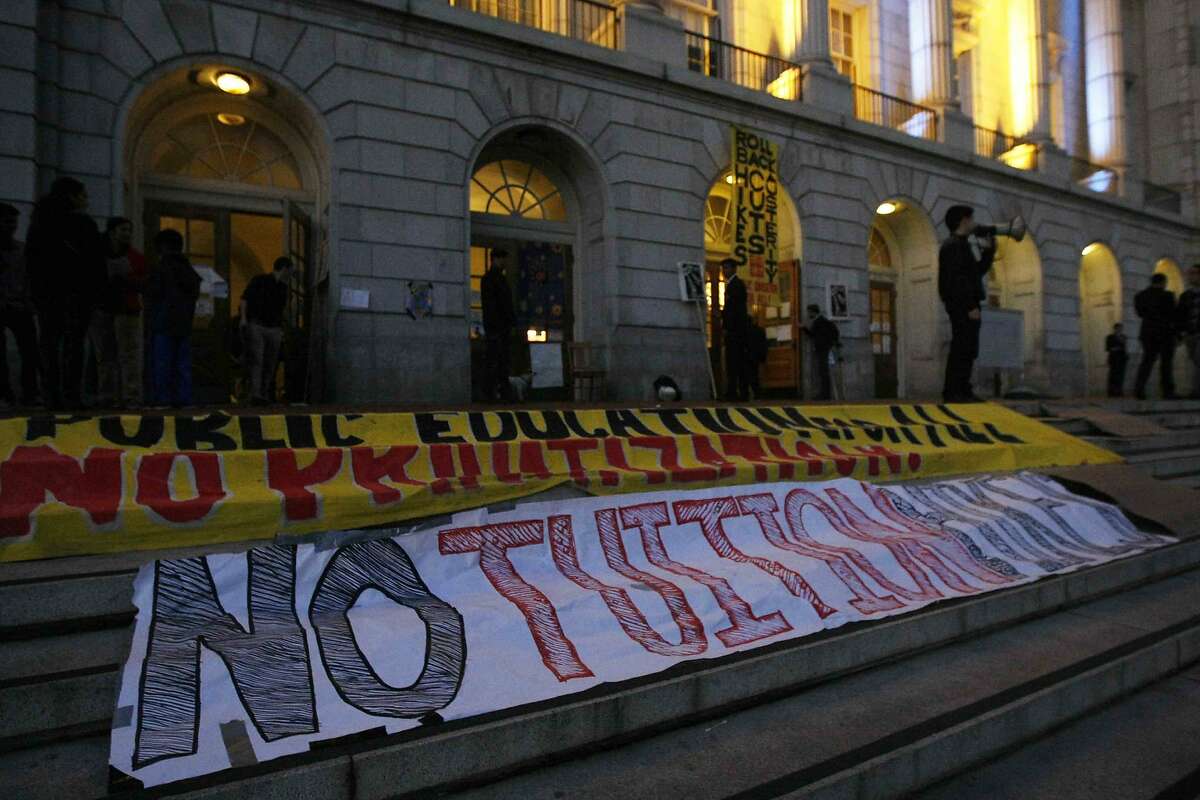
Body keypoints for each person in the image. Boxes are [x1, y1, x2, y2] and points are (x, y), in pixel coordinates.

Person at [25, 176, 104, 409]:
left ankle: (52, 393)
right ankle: (71, 394)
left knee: (50, 343)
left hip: (48, 294)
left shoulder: (40, 224)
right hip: (76, 294)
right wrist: (95, 292)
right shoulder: (83, 225)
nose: (87, 200)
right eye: (83, 195)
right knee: (73, 344)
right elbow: (95, 263)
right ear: (72, 196)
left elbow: (32, 262)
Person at [937, 204, 995, 403]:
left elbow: (975, 273)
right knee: (963, 346)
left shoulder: (960, 245)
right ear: (963, 220)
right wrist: (970, 305)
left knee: (968, 347)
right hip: (962, 305)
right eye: (971, 219)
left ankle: (962, 389)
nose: (973, 223)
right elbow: (958, 280)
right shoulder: (953, 246)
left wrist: (988, 252)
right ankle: (955, 391)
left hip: (964, 303)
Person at [90, 217, 147, 407]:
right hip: (104, 307)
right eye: (123, 229)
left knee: (128, 354)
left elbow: (144, 282)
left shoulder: (136, 257)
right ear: (112, 231)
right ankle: (108, 395)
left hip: (126, 309)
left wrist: (127, 279)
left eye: (129, 230)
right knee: (105, 354)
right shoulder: (98, 255)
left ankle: (131, 396)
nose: (127, 234)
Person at [146, 229, 200, 407]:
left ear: (161, 247)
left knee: (163, 363)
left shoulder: (162, 268)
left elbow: (153, 292)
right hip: (184, 322)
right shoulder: (188, 270)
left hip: (163, 321)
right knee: (182, 364)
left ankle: (163, 399)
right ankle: (183, 399)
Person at [0, 204, 39, 407]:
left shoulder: (21, 250)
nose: (11, 226)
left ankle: (29, 392)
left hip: (20, 306)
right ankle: (7, 392)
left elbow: (28, 278)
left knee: (30, 351)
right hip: (8, 304)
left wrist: (28, 301)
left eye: (13, 222)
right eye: (7, 222)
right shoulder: (20, 250)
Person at [240, 257, 293, 405]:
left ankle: (261, 393)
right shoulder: (260, 280)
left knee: (269, 362)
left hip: (270, 327)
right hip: (260, 325)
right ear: (284, 269)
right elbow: (245, 299)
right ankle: (257, 394)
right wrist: (244, 319)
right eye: (290, 270)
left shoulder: (282, 287)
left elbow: (245, 299)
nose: (290, 274)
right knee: (259, 360)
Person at [1133, 272, 1177, 400]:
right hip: (1165, 333)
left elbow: (1140, 313)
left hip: (1148, 333)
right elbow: (1173, 315)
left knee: (1147, 362)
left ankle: (1139, 389)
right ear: (1163, 282)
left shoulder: (1140, 296)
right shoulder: (1168, 296)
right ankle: (1167, 391)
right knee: (1166, 364)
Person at [481, 249, 516, 401]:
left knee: (501, 361)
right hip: (497, 327)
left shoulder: (496, 278)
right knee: (496, 361)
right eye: (502, 259)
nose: (504, 262)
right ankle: (494, 393)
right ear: (495, 259)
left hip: (499, 327)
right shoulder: (492, 279)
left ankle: (499, 392)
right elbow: (493, 305)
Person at [721, 258, 753, 401]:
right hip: (736, 331)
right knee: (734, 362)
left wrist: (727, 327)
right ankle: (736, 391)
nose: (724, 271)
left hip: (736, 332)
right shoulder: (731, 285)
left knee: (736, 362)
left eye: (727, 268)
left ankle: (737, 392)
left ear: (734, 269)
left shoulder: (736, 285)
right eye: (723, 268)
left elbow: (734, 310)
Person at [803, 303, 841, 400]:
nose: (808, 314)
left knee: (823, 371)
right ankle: (824, 393)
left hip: (823, 349)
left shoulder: (820, 321)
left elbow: (813, 334)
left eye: (809, 312)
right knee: (822, 371)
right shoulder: (821, 321)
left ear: (813, 312)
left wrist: (803, 328)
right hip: (824, 348)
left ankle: (825, 394)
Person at [1176, 264, 1200, 399]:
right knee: (1195, 361)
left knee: (1198, 358)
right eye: (1190, 273)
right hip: (1190, 333)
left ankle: (1196, 391)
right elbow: (1180, 315)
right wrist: (1180, 333)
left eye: (1195, 273)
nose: (1192, 276)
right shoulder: (1185, 296)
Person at [1105, 322, 1128, 398]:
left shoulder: (1123, 337)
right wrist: (1114, 349)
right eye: (1118, 328)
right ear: (1115, 329)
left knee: (1121, 376)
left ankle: (1119, 391)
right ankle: (1111, 392)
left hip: (1122, 359)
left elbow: (1124, 347)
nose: (1119, 330)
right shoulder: (1110, 337)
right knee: (1113, 376)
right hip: (1114, 359)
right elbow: (1107, 348)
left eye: (1120, 329)